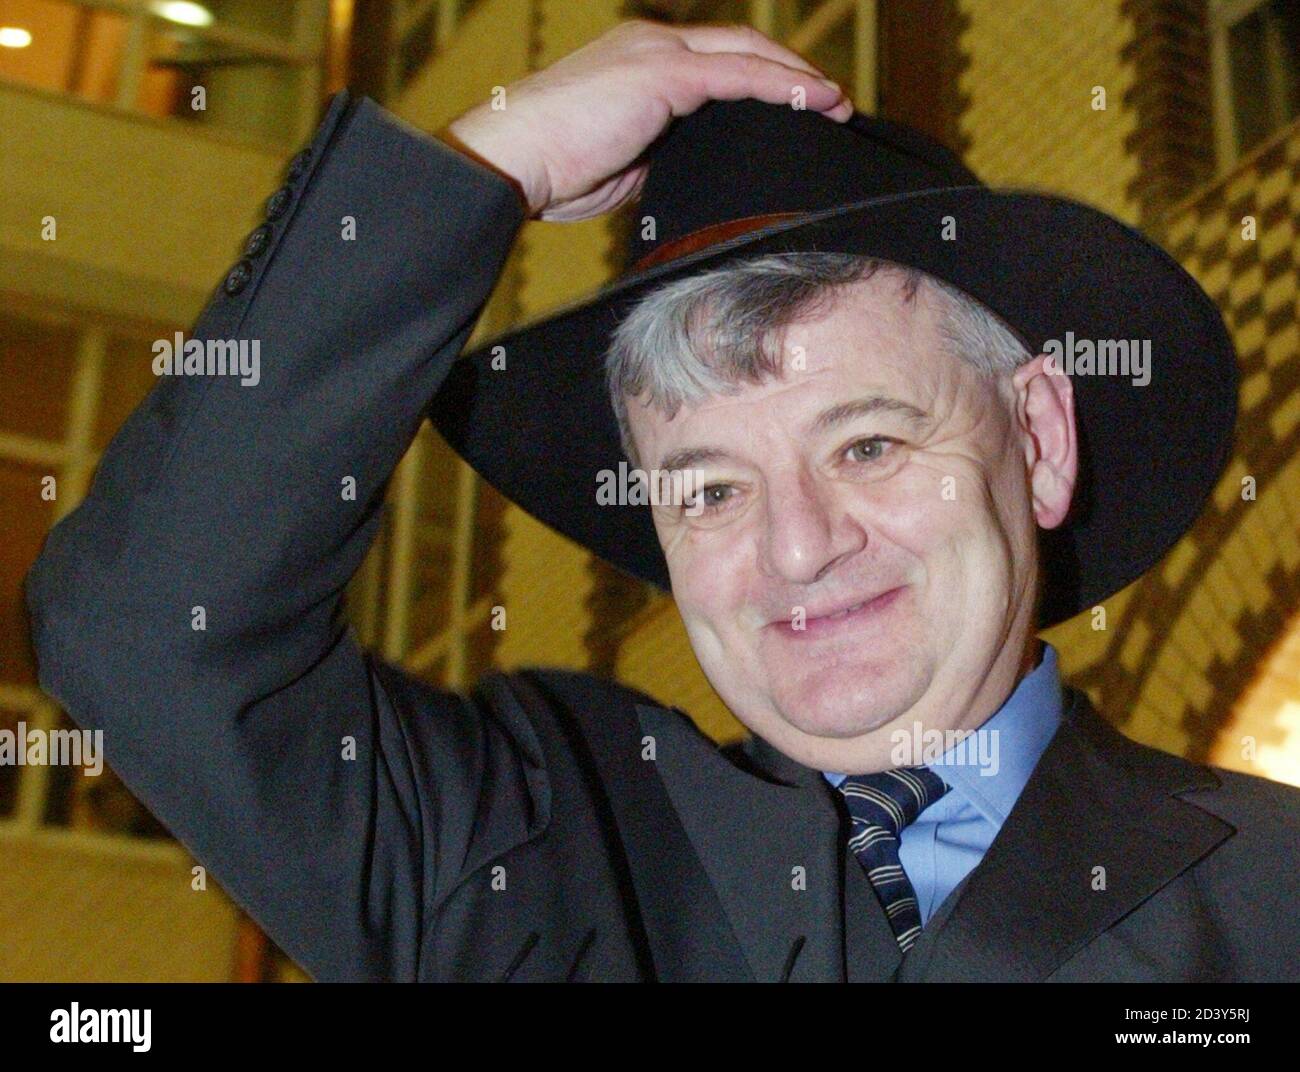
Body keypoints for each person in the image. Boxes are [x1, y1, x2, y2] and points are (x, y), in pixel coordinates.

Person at [24, 19, 1300, 982]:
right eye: (708, 489)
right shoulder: (534, 855)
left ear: (1036, 431)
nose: (796, 548)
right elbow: (148, 635)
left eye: (864, 445)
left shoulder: (1273, 895)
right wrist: (483, 166)